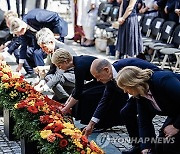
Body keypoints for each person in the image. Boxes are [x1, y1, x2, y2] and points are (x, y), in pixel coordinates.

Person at [83, 58, 161, 154]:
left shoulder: (130, 64)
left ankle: (150, 148)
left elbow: (158, 76)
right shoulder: (110, 80)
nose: (98, 80)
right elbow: (105, 100)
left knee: (143, 118)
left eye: (98, 76)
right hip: (139, 96)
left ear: (106, 70)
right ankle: (137, 146)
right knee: (126, 112)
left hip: (154, 93)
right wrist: (91, 124)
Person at [117, 66, 180, 154]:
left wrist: (176, 127)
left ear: (132, 83)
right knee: (160, 145)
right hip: (176, 112)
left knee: (170, 145)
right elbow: (144, 122)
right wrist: (146, 148)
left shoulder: (163, 80)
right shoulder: (140, 95)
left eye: (125, 87)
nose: (124, 91)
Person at [51, 50, 108, 125]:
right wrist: (67, 102)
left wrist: (65, 109)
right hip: (99, 81)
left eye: (59, 66)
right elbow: (78, 87)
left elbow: (78, 92)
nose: (60, 68)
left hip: (105, 81)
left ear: (65, 62)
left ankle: (93, 122)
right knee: (84, 90)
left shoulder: (79, 66)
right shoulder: (77, 61)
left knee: (85, 95)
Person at [35, 28, 76, 102]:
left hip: (74, 76)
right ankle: (64, 98)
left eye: (44, 47)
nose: (43, 50)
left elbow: (58, 75)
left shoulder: (61, 50)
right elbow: (52, 69)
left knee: (50, 78)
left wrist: (44, 88)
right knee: (48, 77)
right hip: (66, 75)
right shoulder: (53, 50)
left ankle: (66, 100)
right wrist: (42, 81)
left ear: (51, 42)